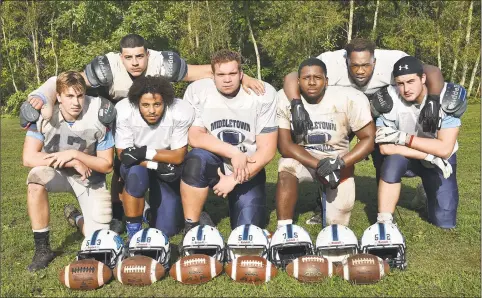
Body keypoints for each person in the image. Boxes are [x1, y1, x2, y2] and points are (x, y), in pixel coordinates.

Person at [21, 34, 264, 229]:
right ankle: (122, 212)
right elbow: (68, 82)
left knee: (169, 207)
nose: (135, 62)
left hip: (159, 124)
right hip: (121, 116)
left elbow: (208, 71)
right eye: (129, 57)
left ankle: (179, 208)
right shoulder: (108, 67)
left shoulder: (163, 65)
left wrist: (244, 77)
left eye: (140, 56)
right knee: (124, 168)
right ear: (120, 57)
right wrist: (42, 96)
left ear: (148, 55)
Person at [282, 38, 445, 224]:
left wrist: (433, 99)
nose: (360, 71)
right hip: (345, 112)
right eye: (355, 65)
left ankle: (384, 209)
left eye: (366, 65)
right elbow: (293, 76)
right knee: (329, 150)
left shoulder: (391, 59)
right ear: (346, 61)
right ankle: (324, 203)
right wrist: (296, 104)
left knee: (381, 159)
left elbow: (431, 71)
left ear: (375, 61)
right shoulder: (331, 61)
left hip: (379, 112)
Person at [22, 71, 114, 271]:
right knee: (35, 177)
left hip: (88, 177)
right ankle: (42, 248)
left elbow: (106, 165)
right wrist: (69, 162)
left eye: (80, 96)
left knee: (98, 240)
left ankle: (76, 218)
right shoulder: (45, 114)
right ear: (58, 97)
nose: (76, 102)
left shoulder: (99, 111)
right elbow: (29, 158)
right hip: (56, 174)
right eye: (70, 96)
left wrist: (75, 155)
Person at [181, 49, 278, 233]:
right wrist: (234, 153)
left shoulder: (262, 94)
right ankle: (191, 225)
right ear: (212, 75)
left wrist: (234, 179)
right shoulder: (198, 91)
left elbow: (267, 150)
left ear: (241, 74)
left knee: (247, 231)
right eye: (221, 74)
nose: (227, 79)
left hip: (248, 166)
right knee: (195, 159)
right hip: (213, 160)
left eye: (232, 73)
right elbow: (194, 136)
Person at [276, 58, 375, 228]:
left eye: (318, 78)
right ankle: (283, 229)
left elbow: (369, 139)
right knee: (286, 168)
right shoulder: (284, 99)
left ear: (327, 81)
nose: (312, 82)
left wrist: (339, 163)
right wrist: (319, 165)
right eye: (306, 78)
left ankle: (325, 198)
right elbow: (285, 146)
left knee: (337, 226)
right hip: (304, 158)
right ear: (298, 81)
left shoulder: (349, 98)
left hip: (339, 161)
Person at [375, 56, 466, 229]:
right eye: (400, 83)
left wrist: (404, 139)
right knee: (391, 163)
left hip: (440, 160)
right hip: (412, 158)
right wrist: (430, 156)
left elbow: (445, 149)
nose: (406, 89)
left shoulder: (446, 97)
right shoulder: (388, 99)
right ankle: (384, 220)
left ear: (423, 78)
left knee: (444, 223)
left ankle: (424, 192)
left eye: (411, 81)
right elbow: (386, 147)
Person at [115, 75, 194, 240]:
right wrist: (154, 165)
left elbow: (179, 156)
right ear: (137, 103)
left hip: (165, 165)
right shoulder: (124, 111)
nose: (151, 111)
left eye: (157, 104)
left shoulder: (179, 111)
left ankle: (146, 211)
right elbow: (125, 155)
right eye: (145, 105)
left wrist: (143, 152)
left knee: (168, 229)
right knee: (137, 176)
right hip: (140, 165)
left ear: (165, 101)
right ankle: (133, 233)